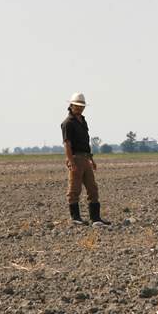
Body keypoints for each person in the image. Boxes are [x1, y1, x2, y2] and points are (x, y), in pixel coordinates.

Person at [61, 93, 110, 225]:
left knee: (92, 188)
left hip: (85, 158)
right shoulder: (67, 123)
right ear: (71, 105)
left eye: (82, 106)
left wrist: (91, 159)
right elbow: (67, 144)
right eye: (77, 106)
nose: (80, 108)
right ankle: (75, 218)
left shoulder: (83, 121)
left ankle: (95, 218)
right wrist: (71, 161)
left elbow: (85, 143)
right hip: (75, 158)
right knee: (74, 189)